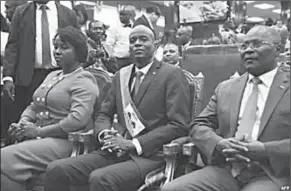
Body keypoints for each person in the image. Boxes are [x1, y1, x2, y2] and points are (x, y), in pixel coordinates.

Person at [43, 20, 191, 191]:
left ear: (156, 44)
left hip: (150, 155)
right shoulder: (121, 75)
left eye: (143, 39)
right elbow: (103, 114)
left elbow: (178, 125)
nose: (137, 44)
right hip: (115, 150)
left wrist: (134, 144)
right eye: (133, 40)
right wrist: (104, 134)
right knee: (57, 169)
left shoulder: (172, 74)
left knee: (101, 179)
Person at [161, 25, 290, 191]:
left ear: (278, 49)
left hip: (271, 172)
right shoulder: (226, 88)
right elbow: (199, 125)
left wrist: (265, 150)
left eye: (257, 45)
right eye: (244, 46)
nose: (248, 50)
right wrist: (219, 144)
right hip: (227, 169)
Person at [1, 26, 98, 191]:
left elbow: (77, 120)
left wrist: (38, 132)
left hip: (66, 141)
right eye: (55, 46)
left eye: (64, 47)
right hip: (41, 138)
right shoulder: (52, 75)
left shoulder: (84, 80)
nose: (57, 51)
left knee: (4, 157)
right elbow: (34, 105)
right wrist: (22, 124)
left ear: (79, 52)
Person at [2, 0, 79, 124]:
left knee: (57, 117)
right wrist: (8, 77)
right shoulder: (21, 12)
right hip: (29, 77)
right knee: (25, 119)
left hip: (60, 75)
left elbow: (78, 44)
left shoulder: (68, 14)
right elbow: (12, 46)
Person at [105, 5, 135, 73]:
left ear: (130, 15)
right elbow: (109, 43)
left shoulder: (134, 27)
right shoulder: (114, 27)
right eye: (120, 14)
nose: (120, 16)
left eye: (123, 14)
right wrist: (111, 56)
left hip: (131, 59)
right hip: (118, 60)